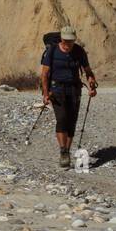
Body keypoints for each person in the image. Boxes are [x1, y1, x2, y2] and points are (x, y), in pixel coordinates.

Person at [40, 26, 97, 169]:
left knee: (72, 122)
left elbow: (88, 71)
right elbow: (44, 75)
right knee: (62, 119)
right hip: (57, 90)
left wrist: (92, 83)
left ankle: (67, 151)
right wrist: (46, 94)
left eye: (71, 41)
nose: (68, 44)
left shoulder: (79, 51)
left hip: (74, 90)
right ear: (61, 39)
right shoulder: (52, 51)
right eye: (66, 40)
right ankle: (63, 150)